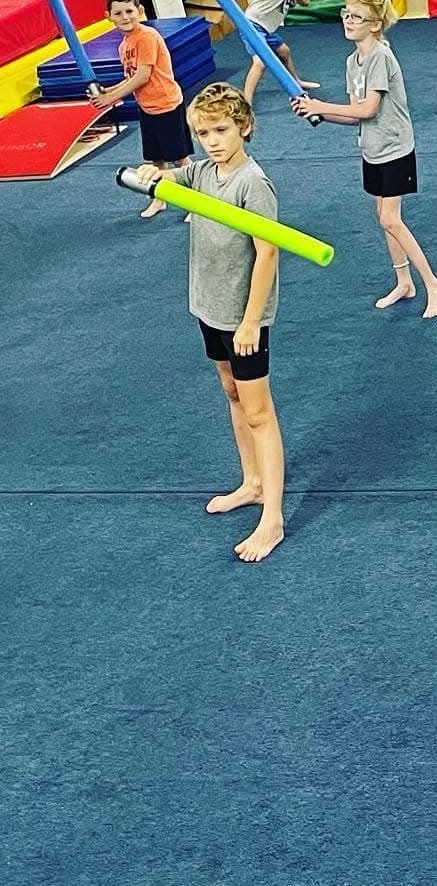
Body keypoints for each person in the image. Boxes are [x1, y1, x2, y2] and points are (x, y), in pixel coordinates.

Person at [139, 82, 285, 562]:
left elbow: (267, 254)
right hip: (209, 307)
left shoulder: (252, 183)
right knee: (231, 394)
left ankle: (273, 520)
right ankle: (253, 482)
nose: (213, 140)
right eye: (203, 133)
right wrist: (148, 173)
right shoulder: (203, 173)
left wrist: (250, 323)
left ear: (243, 127)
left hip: (243, 317)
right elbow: (170, 180)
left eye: (221, 129)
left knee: (259, 412)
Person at [292, 0, 437, 318]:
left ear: (375, 24)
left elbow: (367, 110)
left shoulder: (380, 56)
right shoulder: (353, 61)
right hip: (371, 148)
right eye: (346, 14)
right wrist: (317, 112)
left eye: (357, 17)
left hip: (394, 148)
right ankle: (404, 282)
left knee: (391, 218)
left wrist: (320, 104)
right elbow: (354, 117)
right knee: (385, 219)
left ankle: (433, 284)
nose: (348, 21)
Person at [88, 0, 191, 218]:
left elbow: (143, 76)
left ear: (140, 11)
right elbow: (131, 77)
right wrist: (107, 91)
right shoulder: (124, 45)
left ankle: (197, 204)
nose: (125, 17)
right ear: (109, 17)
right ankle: (159, 198)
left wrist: (110, 98)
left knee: (179, 158)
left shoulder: (146, 37)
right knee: (156, 160)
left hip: (166, 104)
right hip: (148, 107)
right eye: (118, 13)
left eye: (129, 11)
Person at [241, 0, 318, 104]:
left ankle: (296, 81)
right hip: (253, 24)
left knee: (283, 51)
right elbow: (305, 0)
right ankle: (245, 102)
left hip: (264, 27)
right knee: (260, 63)